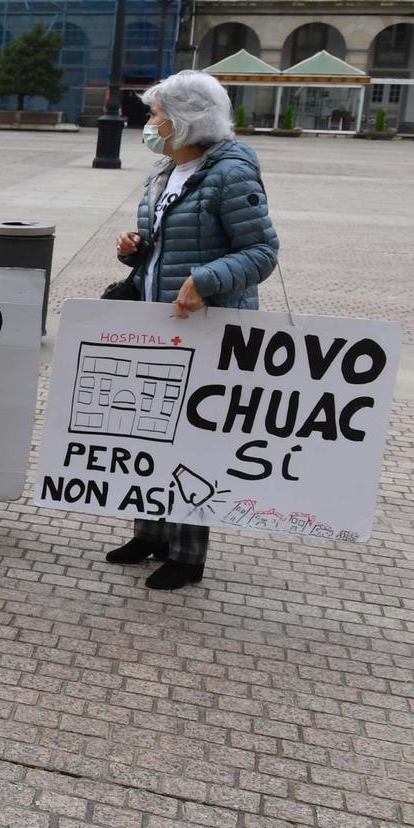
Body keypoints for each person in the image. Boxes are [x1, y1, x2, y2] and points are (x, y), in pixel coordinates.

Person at [108, 70, 278, 591]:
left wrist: (204, 280)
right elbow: (169, 239)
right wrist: (136, 249)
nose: (150, 123)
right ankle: (150, 532)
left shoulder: (230, 173)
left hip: (206, 329)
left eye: (157, 114)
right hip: (159, 323)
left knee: (190, 442)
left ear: (184, 120)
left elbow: (261, 252)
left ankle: (186, 555)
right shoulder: (167, 170)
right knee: (151, 430)